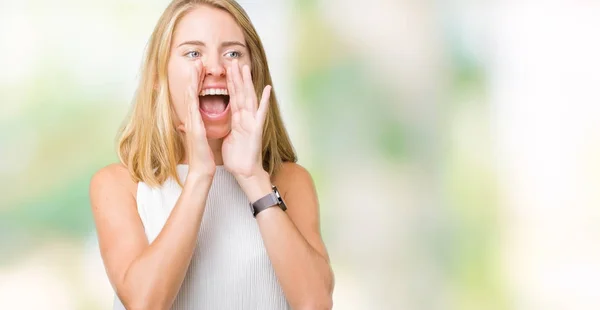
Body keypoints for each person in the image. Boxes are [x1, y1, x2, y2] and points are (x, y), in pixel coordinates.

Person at [89, 0, 334, 309]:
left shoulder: (288, 182)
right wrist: (200, 176)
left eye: (232, 53)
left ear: (254, 74)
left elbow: (315, 302)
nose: (216, 68)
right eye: (193, 53)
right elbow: (144, 302)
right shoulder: (119, 185)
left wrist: (253, 178)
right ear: (156, 78)